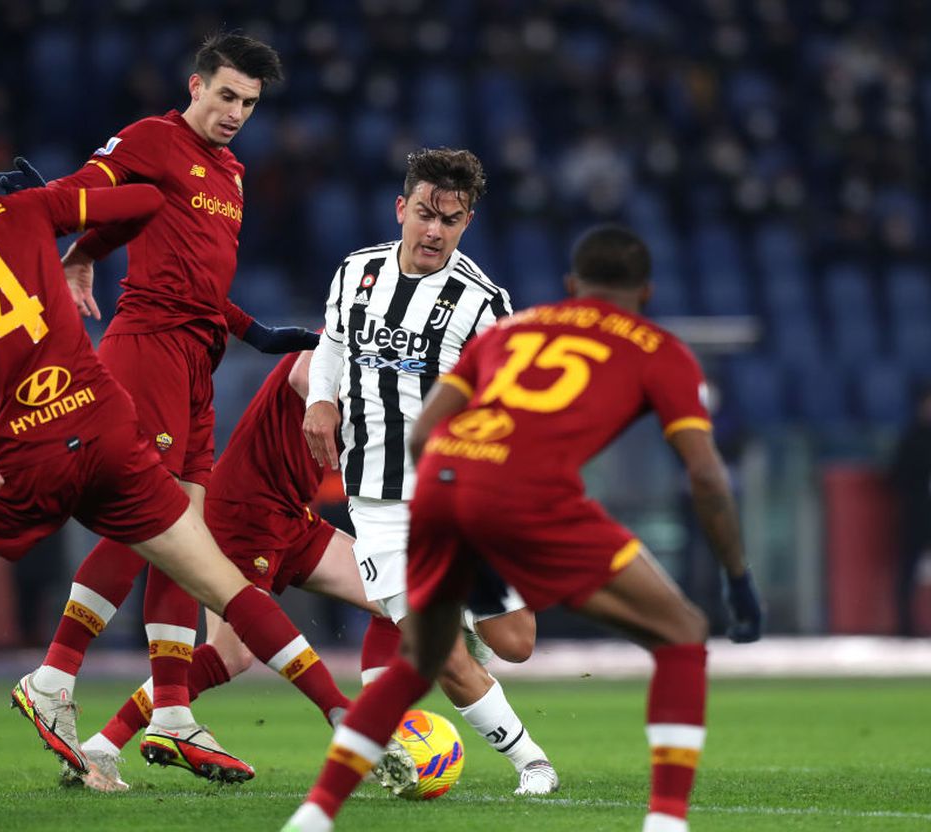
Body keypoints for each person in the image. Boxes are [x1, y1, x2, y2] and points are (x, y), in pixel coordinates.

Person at [0, 139, 340, 806]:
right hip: (108, 428)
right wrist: (73, 232)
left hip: (26, 450)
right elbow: (146, 202)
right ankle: (346, 718)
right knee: (223, 584)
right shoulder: (21, 209)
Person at [282, 225, 764, 832]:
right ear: (646, 292)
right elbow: (709, 478)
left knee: (459, 652)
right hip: (518, 495)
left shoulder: (514, 327)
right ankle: (664, 821)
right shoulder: (658, 348)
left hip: (442, 485)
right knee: (683, 633)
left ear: (569, 286)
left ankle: (315, 815)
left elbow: (428, 433)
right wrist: (739, 580)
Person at [0, 30, 320, 780]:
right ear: (196, 86)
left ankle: (171, 712)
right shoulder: (152, 138)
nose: (235, 112)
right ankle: (52, 679)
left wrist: (251, 329)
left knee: (186, 533)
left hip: (198, 356)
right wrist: (50, 219)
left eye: (249, 103)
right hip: (147, 346)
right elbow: (90, 185)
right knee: (156, 519)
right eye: (226, 95)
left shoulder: (230, 173)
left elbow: (187, 269)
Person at [62, 350, 535, 792]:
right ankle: (104, 746)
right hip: (244, 515)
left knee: (389, 596)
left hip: (291, 515)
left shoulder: (403, 370)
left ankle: (377, 728)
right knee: (231, 656)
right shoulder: (342, 341)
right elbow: (302, 372)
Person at [301, 147, 558, 797]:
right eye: (424, 214)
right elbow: (332, 341)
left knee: (517, 641)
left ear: (468, 221)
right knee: (438, 648)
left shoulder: (480, 303)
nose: (434, 231)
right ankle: (534, 764)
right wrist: (320, 400)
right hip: (379, 500)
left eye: (451, 219)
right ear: (402, 210)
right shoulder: (355, 273)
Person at [888, 387, 931, 637]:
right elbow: (896, 477)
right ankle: (905, 627)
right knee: (907, 571)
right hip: (918, 516)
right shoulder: (912, 439)